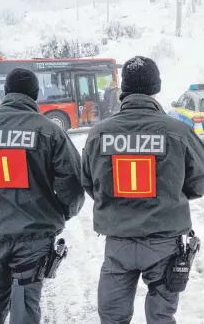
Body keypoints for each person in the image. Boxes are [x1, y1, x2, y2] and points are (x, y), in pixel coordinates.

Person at [81, 56, 204, 324]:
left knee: (112, 317)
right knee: (161, 316)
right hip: (164, 242)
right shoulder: (178, 131)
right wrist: (171, 196)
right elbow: (199, 181)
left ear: (123, 90)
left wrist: (116, 206)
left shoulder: (98, 134)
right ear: (155, 90)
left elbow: (89, 182)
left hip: (118, 242)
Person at [0, 68, 85, 324]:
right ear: (35, 95)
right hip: (34, 237)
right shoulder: (49, 131)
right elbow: (72, 181)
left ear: (5, 93)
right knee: (25, 305)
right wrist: (62, 212)